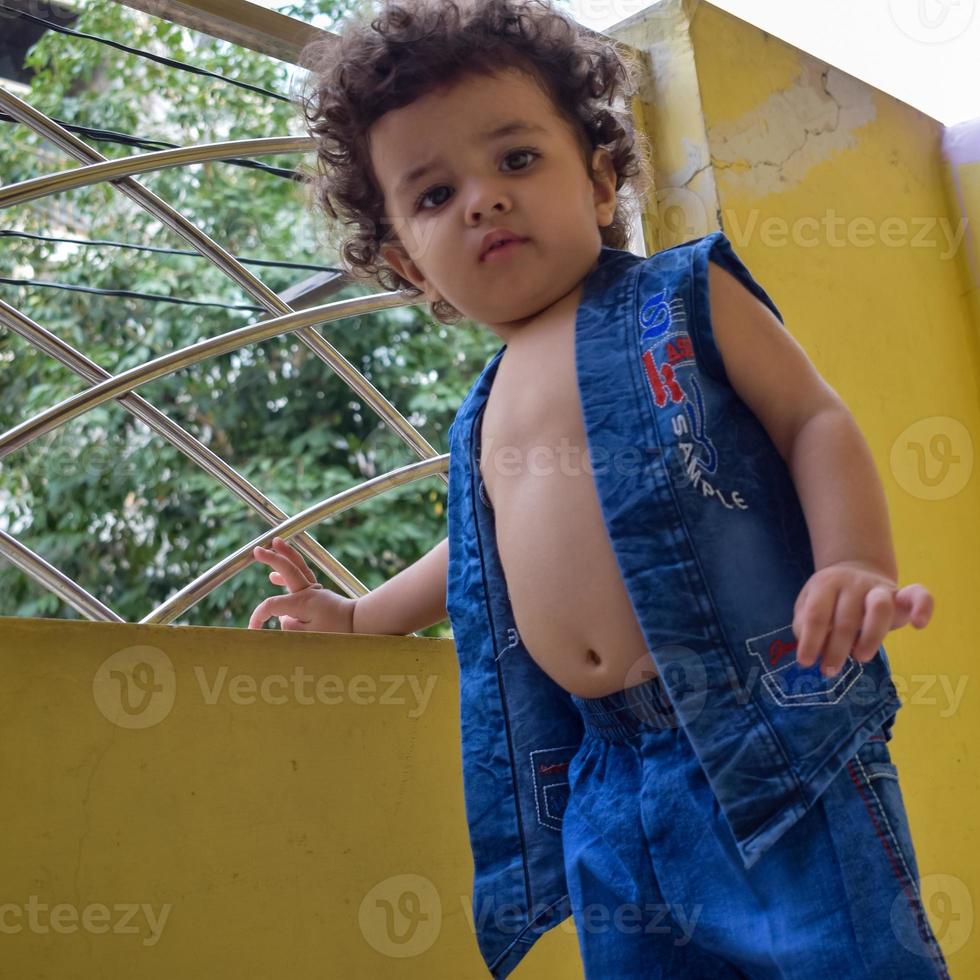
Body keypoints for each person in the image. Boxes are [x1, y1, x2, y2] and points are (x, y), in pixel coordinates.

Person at [247, 0, 950, 977]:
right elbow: (478, 553)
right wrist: (362, 616)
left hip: (765, 741)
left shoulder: (680, 296)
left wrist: (852, 561)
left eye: (516, 161)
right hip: (603, 784)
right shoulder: (481, 413)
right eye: (435, 192)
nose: (482, 199)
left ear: (599, 174)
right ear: (410, 262)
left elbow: (811, 418)